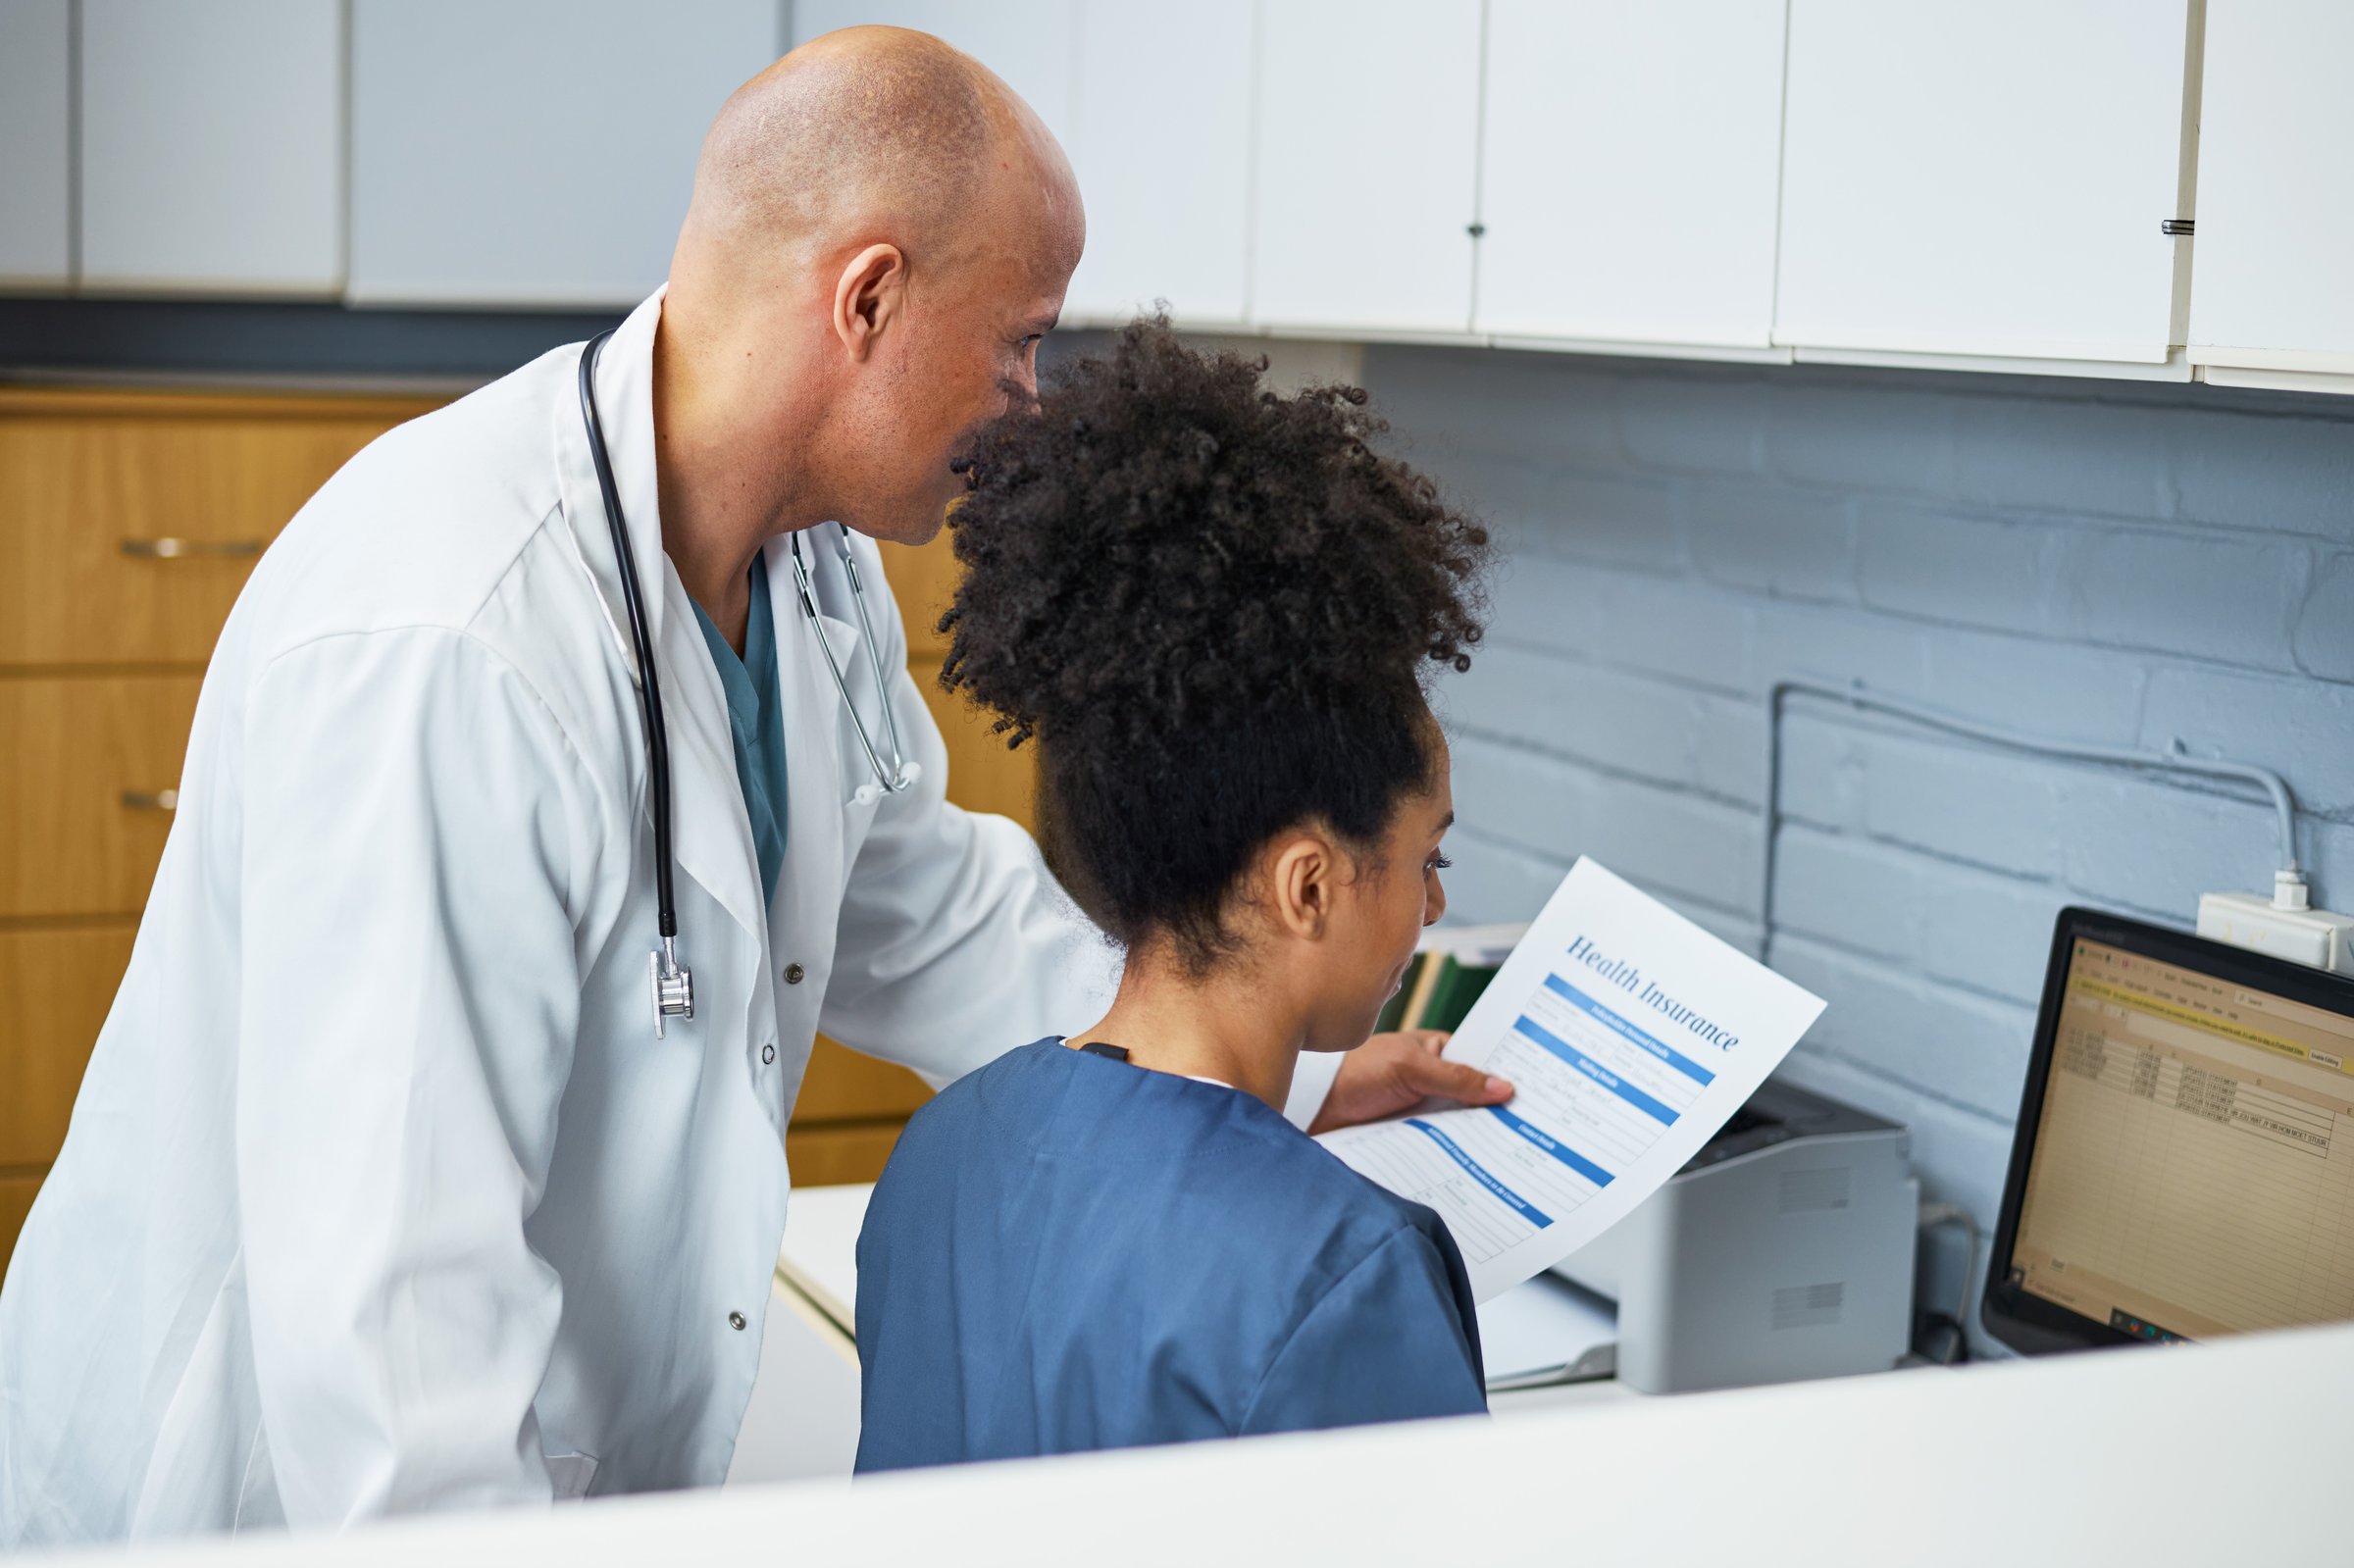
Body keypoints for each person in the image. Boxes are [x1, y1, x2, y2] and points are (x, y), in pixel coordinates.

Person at [0, 29, 1509, 1544]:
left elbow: (914, 898)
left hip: (570, 1467)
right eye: (1016, 345)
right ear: (868, 299)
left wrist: (1263, 1056)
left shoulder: (812, 570)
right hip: (267, 1496)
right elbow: (394, 1342)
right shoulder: (452, 639)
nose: (1033, 407)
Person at [854, 322, 1497, 1472]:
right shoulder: (1350, 1273)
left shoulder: (942, 1157)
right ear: (1308, 885)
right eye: (1427, 862)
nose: (1431, 910)